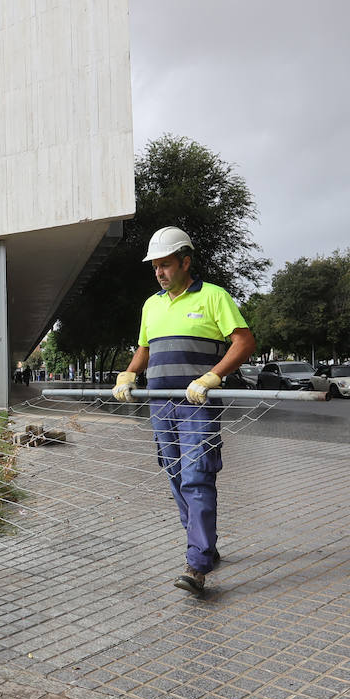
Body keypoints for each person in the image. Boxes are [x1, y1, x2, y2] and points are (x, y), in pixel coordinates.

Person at [112, 227, 255, 595]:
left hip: (196, 407)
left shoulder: (213, 297)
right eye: (155, 266)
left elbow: (244, 341)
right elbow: (146, 347)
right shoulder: (151, 305)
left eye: (166, 265)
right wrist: (130, 373)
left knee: (196, 477)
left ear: (185, 262)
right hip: (161, 407)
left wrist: (213, 376)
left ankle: (197, 565)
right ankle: (203, 543)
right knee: (175, 475)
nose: (159, 272)